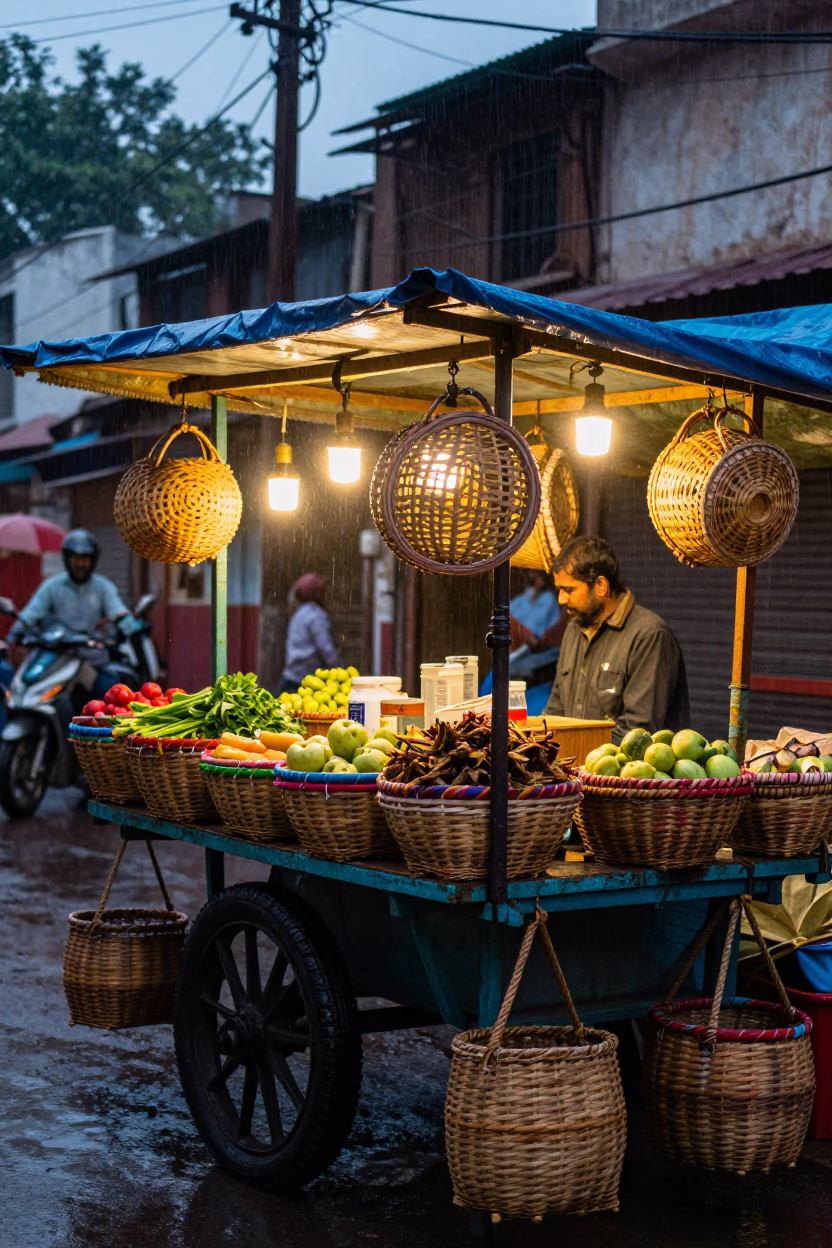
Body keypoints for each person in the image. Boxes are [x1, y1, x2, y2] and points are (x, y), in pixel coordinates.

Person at [544, 535, 689, 743]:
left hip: (627, 773)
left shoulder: (649, 636)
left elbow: (637, 734)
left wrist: (573, 750)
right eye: (559, 590)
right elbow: (555, 712)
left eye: (569, 590)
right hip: (574, 770)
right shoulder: (575, 628)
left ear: (601, 586)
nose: (561, 599)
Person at [8, 528, 141, 696]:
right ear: (67, 559)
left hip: (93, 660)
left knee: (113, 697)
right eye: (76, 558)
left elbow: (118, 612)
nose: (80, 564)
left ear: (93, 561)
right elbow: (31, 614)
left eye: (85, 559)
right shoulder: (52, 586)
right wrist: (17, 632)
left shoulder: (103, 587)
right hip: (58, 658)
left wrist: (131, 626)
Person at [280, 572, 341, 693]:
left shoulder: (300, 613)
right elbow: (326, 649)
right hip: (305, 680)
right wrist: (340, 670)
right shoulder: (316, 616)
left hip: (290, 675)